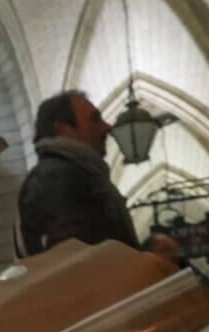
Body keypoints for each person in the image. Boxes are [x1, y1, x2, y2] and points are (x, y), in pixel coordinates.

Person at [17, 92, 140, 254]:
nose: (107, 127)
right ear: (63, 129)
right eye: (94, 119)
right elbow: (77, 263)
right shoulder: (55, 177)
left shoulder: (76, 173)